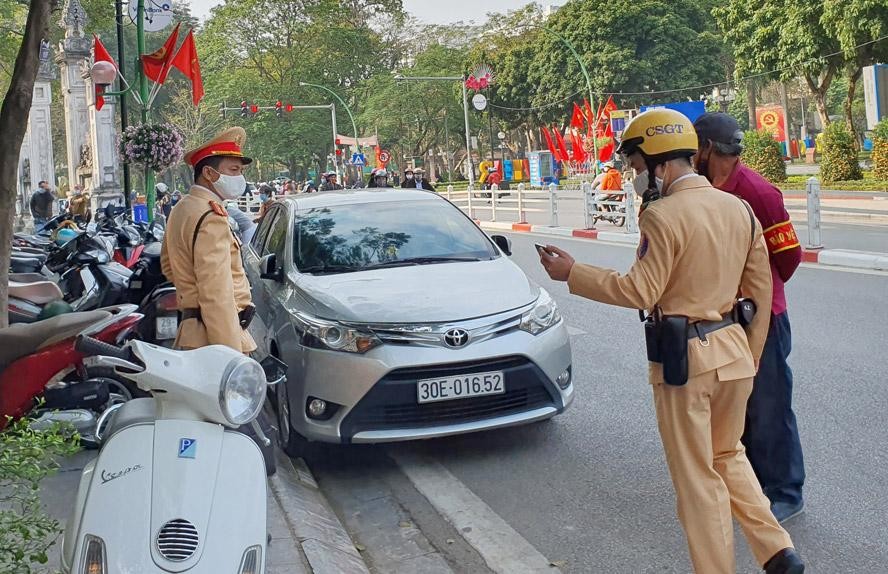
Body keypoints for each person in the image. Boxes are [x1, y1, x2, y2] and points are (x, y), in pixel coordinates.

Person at [538, 109, 804, 574]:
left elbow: (640, 290)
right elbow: (760, 293)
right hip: (734, 356)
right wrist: (751, 355)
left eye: (638, 167)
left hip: (686, 364)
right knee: (729, 455)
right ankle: (778, 551)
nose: (636, 177)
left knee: (697, 478)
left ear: (660, 164)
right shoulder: (736, 208)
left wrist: (573, 273)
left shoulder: (662, 216)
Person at [693, 112, 806, 523]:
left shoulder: (758, 193)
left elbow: (788, 258)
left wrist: (759, 292)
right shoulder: (697, 190)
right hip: (718, 317)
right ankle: (746, 484)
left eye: (695, 151)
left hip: (763, 319)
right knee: (732, 407)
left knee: (770, 406)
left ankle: (785, 490)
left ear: (706, 150)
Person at [160, 126, 256, 353]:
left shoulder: (182, 207)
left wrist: (190, 291)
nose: (239, 177)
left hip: (194, 333)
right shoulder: (211, 216)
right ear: (209, 174)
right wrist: (230, 355)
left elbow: (168, 264)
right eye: (233, 170)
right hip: (215, 340)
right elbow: (217, 294)